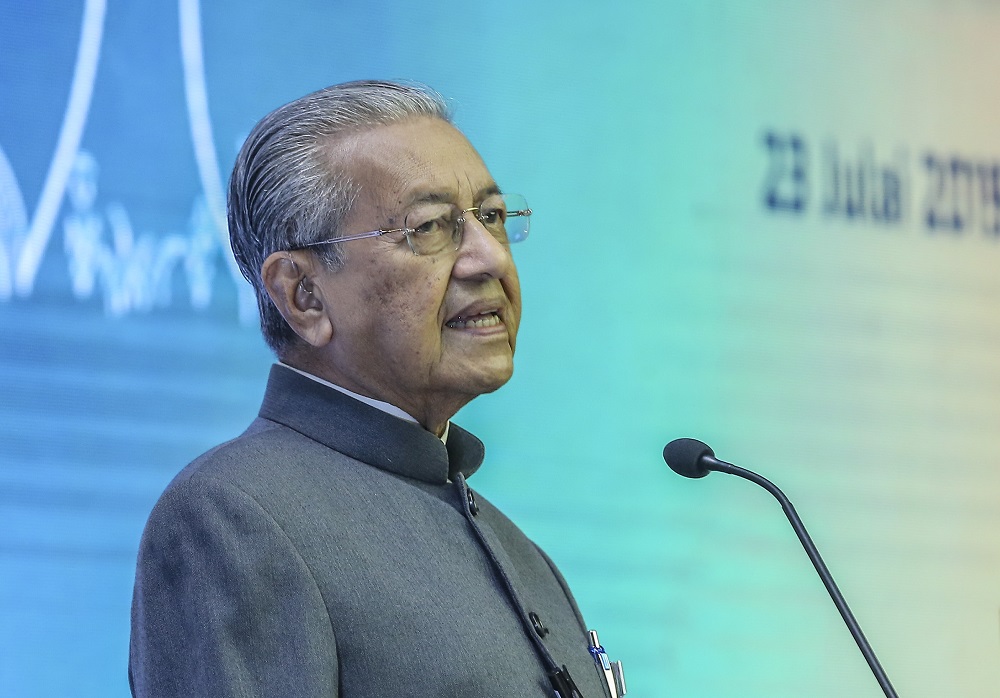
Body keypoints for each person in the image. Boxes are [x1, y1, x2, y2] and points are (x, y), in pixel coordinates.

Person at [129, 80, 614, 697]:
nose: (487, 257)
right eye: (431, 227)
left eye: (491, 217)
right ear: (304, 295)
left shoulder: (521, 555)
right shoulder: (233, 518)